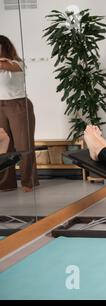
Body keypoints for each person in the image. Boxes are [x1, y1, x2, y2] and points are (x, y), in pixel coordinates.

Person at [0, 35, 38, 192]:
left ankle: (28, 182)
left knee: (24, 145)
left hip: (18, 105)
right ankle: (5, 183)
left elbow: (7, 66)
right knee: (3, 145)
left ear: (5, 47)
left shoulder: (17, 64)